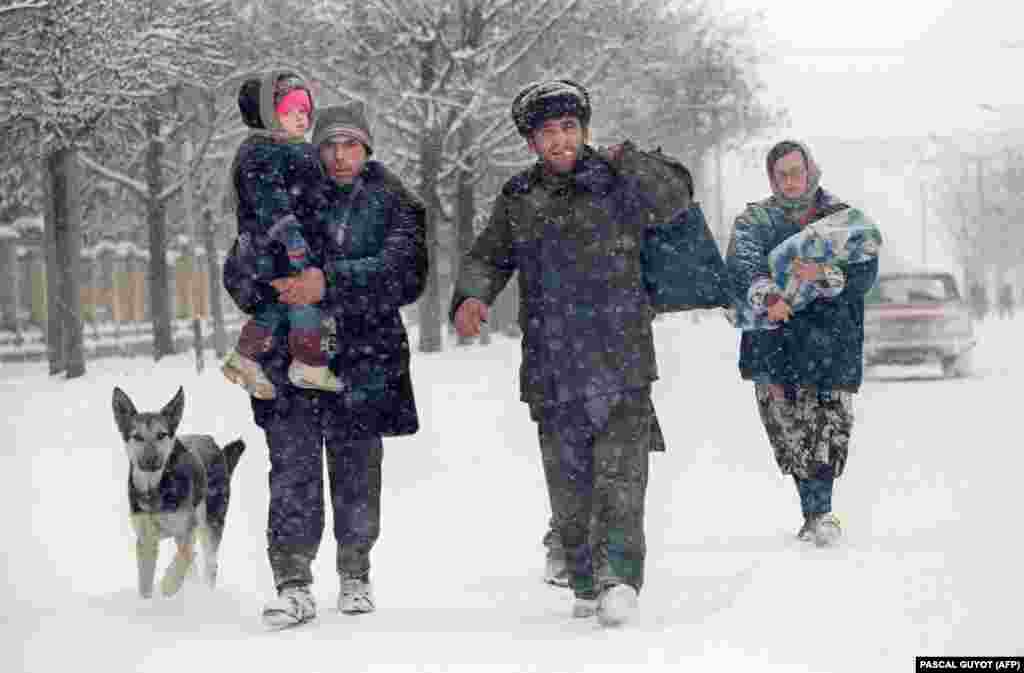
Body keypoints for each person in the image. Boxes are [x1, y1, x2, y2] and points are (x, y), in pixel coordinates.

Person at [450, 79, 727, 626]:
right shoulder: (518, 198)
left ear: (585, 130)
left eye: (570, 128)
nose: (561, 141)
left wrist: (633, 160)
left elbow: (676, 196)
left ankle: (620, 579)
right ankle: (583, 580)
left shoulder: (619, 180)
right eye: (548, 132)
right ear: (532, 142)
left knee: (622, 480)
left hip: (621, 356)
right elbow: (489, 254)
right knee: (569, 486)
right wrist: (472, 296)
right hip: (553, 367)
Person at [223, 100, 428, 629]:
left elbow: (404, 274)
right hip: (289, 355)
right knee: (292, 469)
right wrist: (264, 274)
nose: (340, 156)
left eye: (351, 145)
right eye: (330, 145)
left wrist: (330, 282)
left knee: (357, 468)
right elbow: (242, 278)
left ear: (368, 148)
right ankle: (293, 583)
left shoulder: (391, 199)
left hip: (364, 359)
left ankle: (355, 571)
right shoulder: (287, 193)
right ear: (315, 148)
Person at [724, 139, 880, 547]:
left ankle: (822, 511)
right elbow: (743, 262)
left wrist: (825, 274)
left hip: (831, 339)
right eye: (782, 175)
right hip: (773, 341)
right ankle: (811, 511)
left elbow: (864, 271)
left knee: (828, 427)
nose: (791, 182)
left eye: (797, 172)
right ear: (771, 177)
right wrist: (768, 296)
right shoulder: (755, 220)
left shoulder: (841, 218)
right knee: (788, 428)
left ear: (811, 170)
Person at [221, 70, 344, 400]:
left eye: (305, 111)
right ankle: (308, 361)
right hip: (277, 251)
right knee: (298, 296)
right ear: (269, 116)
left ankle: (245, 358)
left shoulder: (293, 150)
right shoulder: (262, 152)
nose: (301, 118)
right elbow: (272, 204)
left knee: (278, 306)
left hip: (282, 251)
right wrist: (294, 244)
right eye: (291, 112)